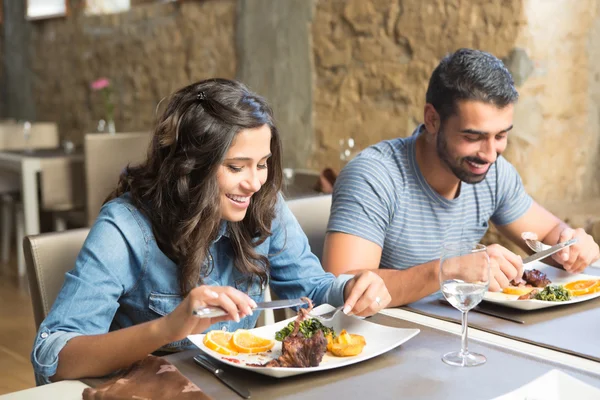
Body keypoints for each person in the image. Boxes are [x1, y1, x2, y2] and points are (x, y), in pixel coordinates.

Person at [31, 78, 390, 384]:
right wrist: (170, 327)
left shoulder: (264, 206)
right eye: (237, 167)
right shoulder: (124, 228)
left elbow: (310, 289)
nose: (254, 183)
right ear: (190, 167)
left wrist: (350, 287)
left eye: (263, 164)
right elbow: (53, 356)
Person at [323, 48, 600, 306]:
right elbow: (340, 287)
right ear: (432, 119)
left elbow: (550, 236)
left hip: (464, 336)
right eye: (472, 137)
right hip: (386, 342)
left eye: (501, 135)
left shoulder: (493, 172)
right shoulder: (374, 176)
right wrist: (449, 269)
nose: (490, 154)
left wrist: (571, 246)